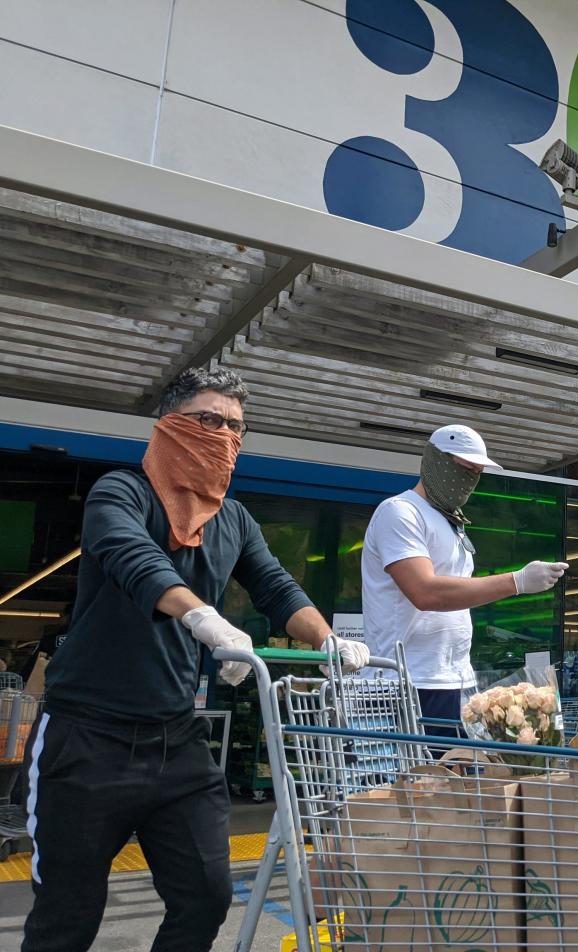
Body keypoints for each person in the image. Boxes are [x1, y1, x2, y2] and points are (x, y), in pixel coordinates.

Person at [22, 368, 368, 952]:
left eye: (235, 426)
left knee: (206, 896)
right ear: (171, 424)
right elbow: (132, 557)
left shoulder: (233, 519)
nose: (223, 435)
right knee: (68, 911)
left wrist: (325, 639)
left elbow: (278, 589)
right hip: (86, 737)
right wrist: (205, 621)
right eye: (209, 420)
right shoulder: (120, 492)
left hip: (175, 739)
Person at [362, 424, 568, 732]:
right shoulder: (400, 513)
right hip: (405, 683)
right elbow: (425, 592)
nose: (469, 480)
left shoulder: (451, 522)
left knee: (458, 777)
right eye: (463, 468)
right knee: (416, 779)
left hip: (455, 681)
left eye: (477, 472)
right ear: (436, 461)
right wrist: (517, 582)